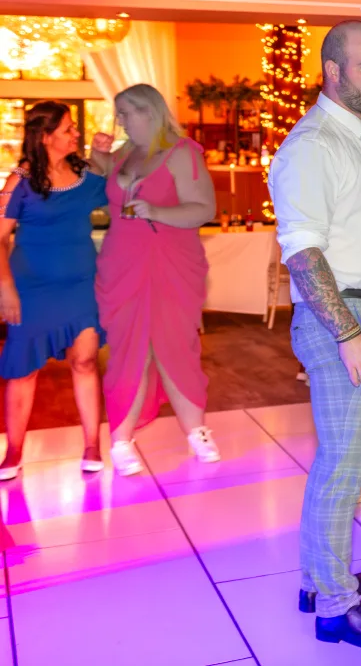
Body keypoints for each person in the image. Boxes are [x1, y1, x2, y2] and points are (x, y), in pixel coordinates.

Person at [269, 21, 361, 650]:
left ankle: (316, 576)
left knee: (340, 462)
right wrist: (352, 332)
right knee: (343, 468)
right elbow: (303, 254)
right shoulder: (312, 146)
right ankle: (335, 606)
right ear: (333, 70)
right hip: (342, 322)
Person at [91, 84, 220, 476]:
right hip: (122, 262)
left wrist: (157, 212)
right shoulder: (123, 155)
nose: (120, 120)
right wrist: (97, 157)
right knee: (128, 348)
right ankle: (120, 438)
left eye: (126, 112)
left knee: (174, 344)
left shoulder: (182, 153)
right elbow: (101, 187)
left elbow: (203, 209)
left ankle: (195, 430)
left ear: (149, 112)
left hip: (170, 262)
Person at [0, 101, 108, 479]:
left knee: (85, 361)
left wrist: (103, 153)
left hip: (81, 286)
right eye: (67, 129)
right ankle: (13, 451)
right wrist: (6, 288)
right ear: (45, 137)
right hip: (31, 290)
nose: (75, 133)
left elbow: (118, 190)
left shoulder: (84, 177)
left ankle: (93, 443)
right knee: (23, 370)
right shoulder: (19, 181)